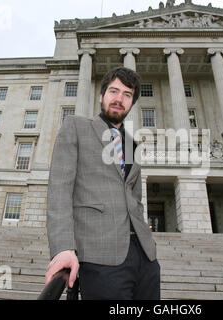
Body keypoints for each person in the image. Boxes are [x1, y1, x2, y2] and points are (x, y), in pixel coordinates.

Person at [45, 67, 160, 300]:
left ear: (131, 103)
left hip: (145, 257)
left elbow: (135, 198)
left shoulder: (133, 145)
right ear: (101, 96)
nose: (119, 99)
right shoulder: (76, 126)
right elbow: (59, 189)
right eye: (114, 91)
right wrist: (63, 247)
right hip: (99, 254)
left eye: (127, 95)